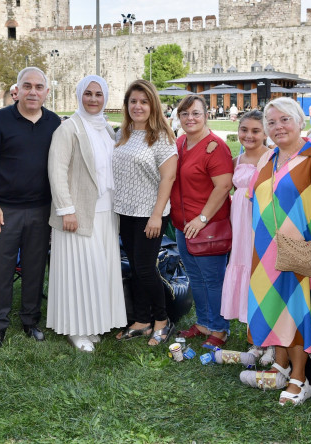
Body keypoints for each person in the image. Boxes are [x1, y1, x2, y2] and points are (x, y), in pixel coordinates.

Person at [241, 97, 311, 406]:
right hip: (266, 250)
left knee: (295, 311)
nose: (278, 126)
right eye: (272, 122)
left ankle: (300, 377)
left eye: (285, 119)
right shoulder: (270, 158)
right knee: (274, 307)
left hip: (300, 247)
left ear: (300, 121)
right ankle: (280, 366)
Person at [0, 67, 61, 347]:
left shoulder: (55, 123)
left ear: (47, 92)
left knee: (35, 268)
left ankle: (30, 320)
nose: (33, 92)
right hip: (5, 209)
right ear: (18, 89)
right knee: (1, 269)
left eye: (39, 87)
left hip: (41, 209)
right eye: (27, 86)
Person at [47, 75, 127, 352]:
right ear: (79, 96)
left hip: (105, 213)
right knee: (77, 271)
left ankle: (93, 324)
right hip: (77, 213)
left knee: (98, 270)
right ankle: (76, 328)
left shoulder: (106, 128)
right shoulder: (68, 128)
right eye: (88, 94)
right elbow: (56, 171)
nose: (93, 99)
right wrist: (66, 209)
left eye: (99, 94)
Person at [113, 79, 177, 346]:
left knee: (145, 268)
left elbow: (168, 178)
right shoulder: (122, 135)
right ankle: (141, 321)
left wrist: (156, 214)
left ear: (153, 105)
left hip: (150, 214)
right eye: (133, 102)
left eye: (144, 101)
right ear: (127, 105)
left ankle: (162, 320)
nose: (138, 106)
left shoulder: (162, 137)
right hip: (125, 212)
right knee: (136, 270)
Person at [169, 94, 233, 348]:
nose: (190, 118)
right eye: (184, 114)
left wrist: (202, 218)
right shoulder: (181, 142)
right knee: (195, 277)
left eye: (196, 113)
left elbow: (224, 185)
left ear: (206, 115)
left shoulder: (215, 147)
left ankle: (220, 328)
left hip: (207, 226)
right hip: (182, 225)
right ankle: (205, 322)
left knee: (212, 280)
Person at [221, 110, 269, 325]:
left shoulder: (272, 158)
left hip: (262, 220)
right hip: (240, 220)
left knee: (261, 266)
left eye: (255, 131)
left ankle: (266, 328)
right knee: (242, 261)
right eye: (244, 129)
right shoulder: (235, 160)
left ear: (265, 132)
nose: (249, 135)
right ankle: (249, 321)